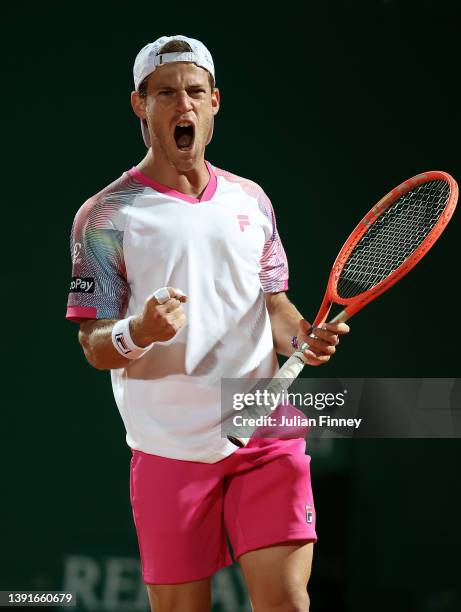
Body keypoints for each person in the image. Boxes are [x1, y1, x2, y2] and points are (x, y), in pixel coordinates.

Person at [66, 34, 350, 612]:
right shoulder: (104, 216)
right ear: (140, 105)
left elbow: (275, 305)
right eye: (165, 93)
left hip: (264, 431)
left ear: (215, 102)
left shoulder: (252, 201)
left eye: (195, 91)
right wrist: (138, 331)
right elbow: (93, 343)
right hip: (168, 448)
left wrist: (302, 336)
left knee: (288, 603)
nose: (183, 105)